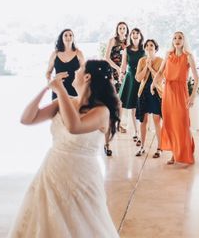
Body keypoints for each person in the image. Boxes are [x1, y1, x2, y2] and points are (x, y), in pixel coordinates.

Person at [9, 60, 121, 237]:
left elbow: (74, 126)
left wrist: (60, 90)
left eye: (80, 69)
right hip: (53, 171)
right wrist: (47, 89)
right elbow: (27, 118)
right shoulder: (65, 101)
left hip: (82, 177)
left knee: (85, 223)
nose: (75, 71)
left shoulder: (102, 111)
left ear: (87, 77)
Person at [153, 31, 199, 165]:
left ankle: (187, 152)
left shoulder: (188, 56)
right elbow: (161, 72)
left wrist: (192, 96)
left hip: (181, 93)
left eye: (180, 38)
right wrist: (153, 83)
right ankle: (174, 153)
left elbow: (196, 79)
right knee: (170, 123)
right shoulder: (168, 55)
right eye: (175, 38)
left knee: (182, 123)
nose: (177, 40)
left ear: (184, 41)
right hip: (168, 92)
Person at [135, 39, 163, 158]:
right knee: (143, 121)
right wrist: (146, 67)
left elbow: (160, 78)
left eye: (151, 45)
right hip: (144, 92)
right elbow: (138, 78)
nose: (149, 47)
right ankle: (142, 147)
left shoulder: (161, 61)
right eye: (147, 46)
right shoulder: (141, 60)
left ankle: (160, 147)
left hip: (156, 92)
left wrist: (151, 67)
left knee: (157, 120)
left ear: (155, 48)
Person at [119, 28, 145, 145]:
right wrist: (121, 74)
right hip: (130, 79)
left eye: (137, 33)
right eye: (133, 33)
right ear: (130, 36)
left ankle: (142, 131)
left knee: (141, 106)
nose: (135, 35)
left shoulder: (144, 49)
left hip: (141, 78)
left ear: (140, 36)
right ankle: (136, 132)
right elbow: (123, 65)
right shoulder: (127, 50)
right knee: (133, 107)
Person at [45, 29, 85, 100]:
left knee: (74, 110)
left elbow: (85, 71)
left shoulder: (79, 53)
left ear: (73, 38)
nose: (68, 37)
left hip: (74, 89)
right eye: (65, 35)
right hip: (58, 89)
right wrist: (51, 81)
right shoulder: (55, 54)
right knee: (57, 110)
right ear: (61, 38)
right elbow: (48, 72)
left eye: (70, 35)